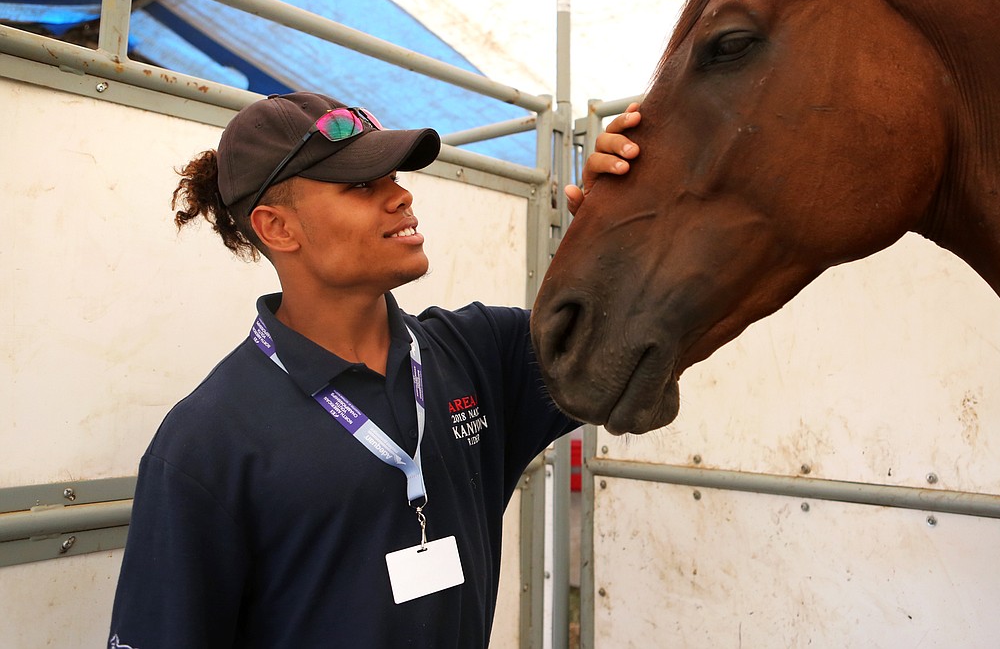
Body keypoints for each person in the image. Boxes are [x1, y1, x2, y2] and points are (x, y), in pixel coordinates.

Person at [107, 91, 640, 648]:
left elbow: (637, 337)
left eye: (393, 175)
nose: (401, 194)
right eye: (362, 185)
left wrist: (620, 219)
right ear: (277, 227)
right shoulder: (207, 441)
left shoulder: (482, 352)